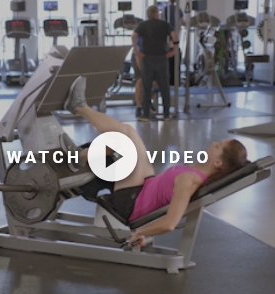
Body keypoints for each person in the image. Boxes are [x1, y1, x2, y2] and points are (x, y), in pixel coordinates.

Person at [63, 76, 248, 247]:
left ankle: (78, 110)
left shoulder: (189, 180)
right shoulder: (197, 172)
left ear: (219, 163)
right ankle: (79, 155)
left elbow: (170, 223)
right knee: (127, 132)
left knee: (125, 139)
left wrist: (140, 232)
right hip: (144, 186)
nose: (214, 143)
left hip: (131, 203)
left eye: (219, 147)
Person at [132, 5, 179, 122]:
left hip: (147, 58)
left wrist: (136, 50)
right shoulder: (164, 24)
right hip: (161, 58)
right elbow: (174, 36)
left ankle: (145, 115)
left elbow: (134, 35)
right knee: (164, 88)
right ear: (157, 14)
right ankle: (166, 115)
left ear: (148, 15)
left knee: (147, 88)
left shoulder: (143, 25)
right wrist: (174, 50)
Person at [163, 0, 185, 86]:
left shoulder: (165, 9)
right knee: (175, 52)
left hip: (167, 36)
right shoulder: (178, 9)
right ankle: (175, 81)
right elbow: (183, 22)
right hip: (175, 34)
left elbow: (161, 20)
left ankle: (168, 80)